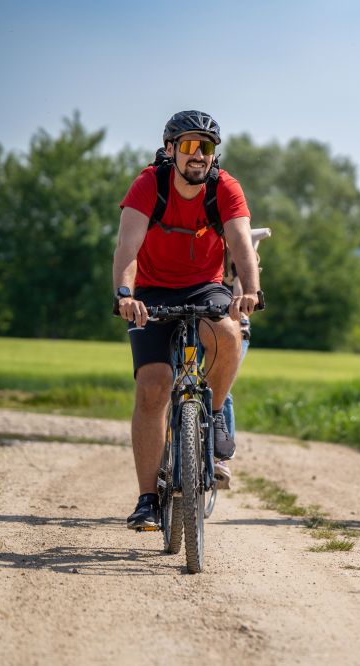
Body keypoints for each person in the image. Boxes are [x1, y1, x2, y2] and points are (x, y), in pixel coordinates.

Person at [113, 110, 263, 530]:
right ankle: (146, 500)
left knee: (229, 331)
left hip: (204, 286)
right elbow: (127, 248)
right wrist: (125, 294)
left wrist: (250, 289)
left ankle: (212, 412)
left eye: (207, 148)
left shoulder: (225, 187)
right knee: (153, 386)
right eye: (189, 146)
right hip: (152, 291)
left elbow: (240, 242)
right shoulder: (149, 185)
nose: (199, 155)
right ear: (170, 151)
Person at [221, 227, 271, 438]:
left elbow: (240, 306)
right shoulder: (210, 265)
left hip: (237, 331)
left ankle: (221, 453)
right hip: (204, 326)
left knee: (223, 389)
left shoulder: (243, 274)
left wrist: (239, 276)